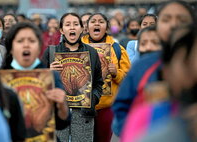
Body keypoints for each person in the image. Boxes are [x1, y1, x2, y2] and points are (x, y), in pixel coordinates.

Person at [112, 0, 195, 138]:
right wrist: (132, 132)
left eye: (181, 19)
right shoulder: (142, 65)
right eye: (166, 19)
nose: (174, 25)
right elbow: (122, 106)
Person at [1, 22, 70, 141]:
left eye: (31, 41)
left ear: (39, 48)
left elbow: (61, 124)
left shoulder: (51, 76)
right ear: (11, 48)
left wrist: (62, 106)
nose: (26, 45)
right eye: (20, 41)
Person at [42, 13, 103, 142]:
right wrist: (49, 72)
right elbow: (39, 83)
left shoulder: (91, 52)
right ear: (61, 30)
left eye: (76, 24)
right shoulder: (51, 52)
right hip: (58, 112)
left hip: (84, 114)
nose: (72, 28)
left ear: (82, 28)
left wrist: (93, 99)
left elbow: (98, 83)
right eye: (68, 25)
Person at [81, 13, 131, 142]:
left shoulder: (118, 49)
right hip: (81, 106)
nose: (97, 24)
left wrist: (116, 73)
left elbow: (128, 80)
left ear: (107, 28)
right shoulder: (76, 48)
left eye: (101, 22)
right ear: (87, 27)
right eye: (93, 22)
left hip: (106, 108)